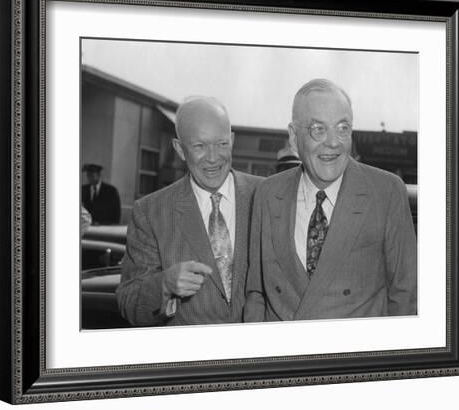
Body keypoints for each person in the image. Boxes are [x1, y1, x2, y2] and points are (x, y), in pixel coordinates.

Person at [244, 79, 417, 322]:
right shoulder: (267, 193)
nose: (334, 142)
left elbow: (405, 295)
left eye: (343, 127)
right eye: (318, 129)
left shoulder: (386, 192)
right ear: (293, 138)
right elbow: (256, 293)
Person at [116, 96, 262, 326]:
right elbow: (129, 304)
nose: (213, 157)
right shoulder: (150, 212)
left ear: (232, 140)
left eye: (222, 144)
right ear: (180, 149)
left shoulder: (268, 195)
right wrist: (164, 285)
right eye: (200, 146)